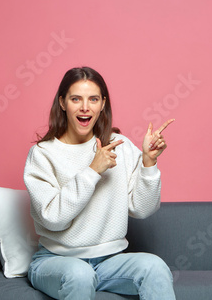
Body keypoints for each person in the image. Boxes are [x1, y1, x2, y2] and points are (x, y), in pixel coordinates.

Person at [23, 66, 176, 300]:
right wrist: (93, 170)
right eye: (76, 99)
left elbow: (143, 209)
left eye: (93, 99)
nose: (85, 107)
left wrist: (148, 163)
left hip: (111, 262)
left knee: (155, 267)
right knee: (80, 274)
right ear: (63, 103)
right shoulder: (43, 154)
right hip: (57, 261)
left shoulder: (120, 145)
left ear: (102, 104)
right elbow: (52, 218)